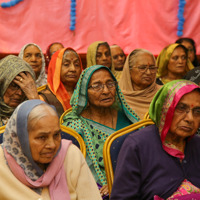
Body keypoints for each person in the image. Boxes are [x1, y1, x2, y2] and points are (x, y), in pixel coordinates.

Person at [110, 80, 200, 200]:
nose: (190, 118)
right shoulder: (137, 145)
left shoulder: (198, 145)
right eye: (181, 108)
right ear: (164, 109)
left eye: (197, 112)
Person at [62, 65, 139, 198]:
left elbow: (144, 155)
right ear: (84, 91)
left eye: (110, 84)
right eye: (97, 86)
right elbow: (75, 170)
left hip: (134, 181)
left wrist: (119, 182)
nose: (105, 91)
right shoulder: (75, 126)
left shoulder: (127, 118)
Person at [0, 99, 102, 199]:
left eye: (56, 135)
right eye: (42, 137)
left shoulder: (70, 155)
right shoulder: (2, 164)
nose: (52, 145)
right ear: (21, 138)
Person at [39, 47, 83, 117]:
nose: (73, 69)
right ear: (55, 68)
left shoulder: (85, 94)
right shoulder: (44, 98)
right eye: (66, 64)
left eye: (77, 65)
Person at [119, 49, 162, 119]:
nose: (148, 72)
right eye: (142, 68)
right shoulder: (117, 97)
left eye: (152, 68)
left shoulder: (163, 94)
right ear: (129, 70)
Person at [0, 55, 39, 127]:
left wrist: (34, 98)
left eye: (24, 88)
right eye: (14, 86)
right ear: (2, 84)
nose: (20, 93)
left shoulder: (29, 113)